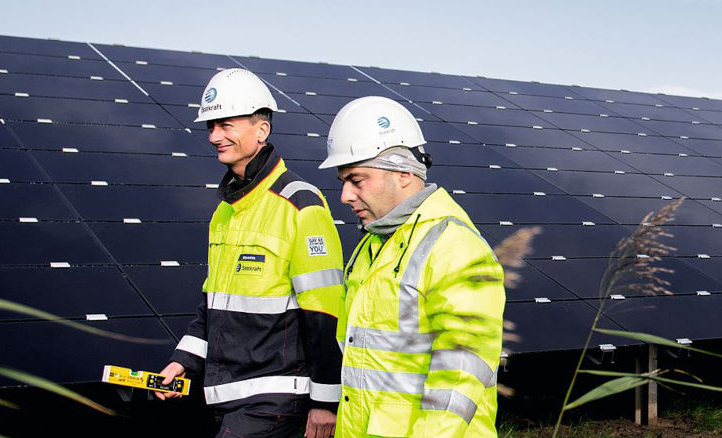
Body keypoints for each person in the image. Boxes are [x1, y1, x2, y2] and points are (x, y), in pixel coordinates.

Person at [155, 68, 343, 438]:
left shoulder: (300, 205)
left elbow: (324, 312)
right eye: (210, 127)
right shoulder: (225, 210)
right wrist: (182, 361)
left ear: (262, 129)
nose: (214, 137)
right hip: (229, 394)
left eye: (226, 125)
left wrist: (325, 402)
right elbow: (214, 304)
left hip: (277, 400)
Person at [318, 96, 505, 437]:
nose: (344, 195)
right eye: (343, 181)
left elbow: (459, 376)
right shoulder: (372, 245)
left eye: (357, 181)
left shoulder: (454, 247)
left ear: (404, 172)